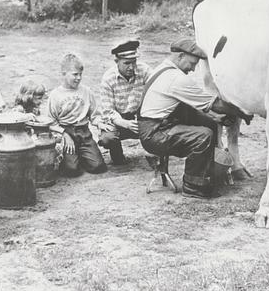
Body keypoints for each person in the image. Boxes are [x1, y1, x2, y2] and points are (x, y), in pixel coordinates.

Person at [138, 38, 251, 199]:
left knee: (209, 122)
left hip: (159, 125)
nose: (192, 69)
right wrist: (241, 111)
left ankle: (208, 173)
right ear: (180, 56)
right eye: (192, 63)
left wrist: (216, 118)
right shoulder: (176, 78)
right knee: (203, 136)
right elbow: (215, 104)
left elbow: (195, 107)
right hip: (154, 134)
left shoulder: (162, 69)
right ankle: (193, 186)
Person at [47, 53, 107, 177]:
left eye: (80, 74)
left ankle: (82, 154)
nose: (78, 78)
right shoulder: (55, 95)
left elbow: (94, 115)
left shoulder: (86, 91)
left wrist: (99, 123)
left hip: (84, 133)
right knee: (72, 171)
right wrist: (64, 134)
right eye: (75, 74)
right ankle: (70, 157)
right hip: (66, 131)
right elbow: (51, 122)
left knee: (98, 167)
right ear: (63, 74)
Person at [97, 39, 152, 165]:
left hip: (141, 116)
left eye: (134, 62)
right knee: (107, 138)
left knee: (162, 125)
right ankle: (117, 156)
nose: (131, 67)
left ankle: (154, 153)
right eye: (127, 63)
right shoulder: (108, 79)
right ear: (116, 61)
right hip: (118, 120)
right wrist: (124, 123)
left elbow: (158, 91)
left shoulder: (145, 70)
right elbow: (108, 111)